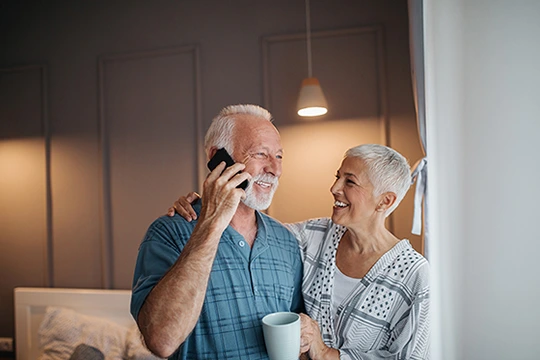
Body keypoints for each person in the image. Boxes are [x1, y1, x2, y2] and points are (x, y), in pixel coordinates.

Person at [171, 144, 430, 359]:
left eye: (349, 181)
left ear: (385, 201)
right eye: (337, 176)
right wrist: (208, 205)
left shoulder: (414, 275)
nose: (335, 188)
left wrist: (326, 353)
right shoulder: (313, 235)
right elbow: (249, 228)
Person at [131, 104, 304, 359]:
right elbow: (161, 341)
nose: (275, 169)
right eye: (260, 154)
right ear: (218, 157)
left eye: (278, 156)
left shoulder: (287, 241)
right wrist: (210, 225)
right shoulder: (168, 232)